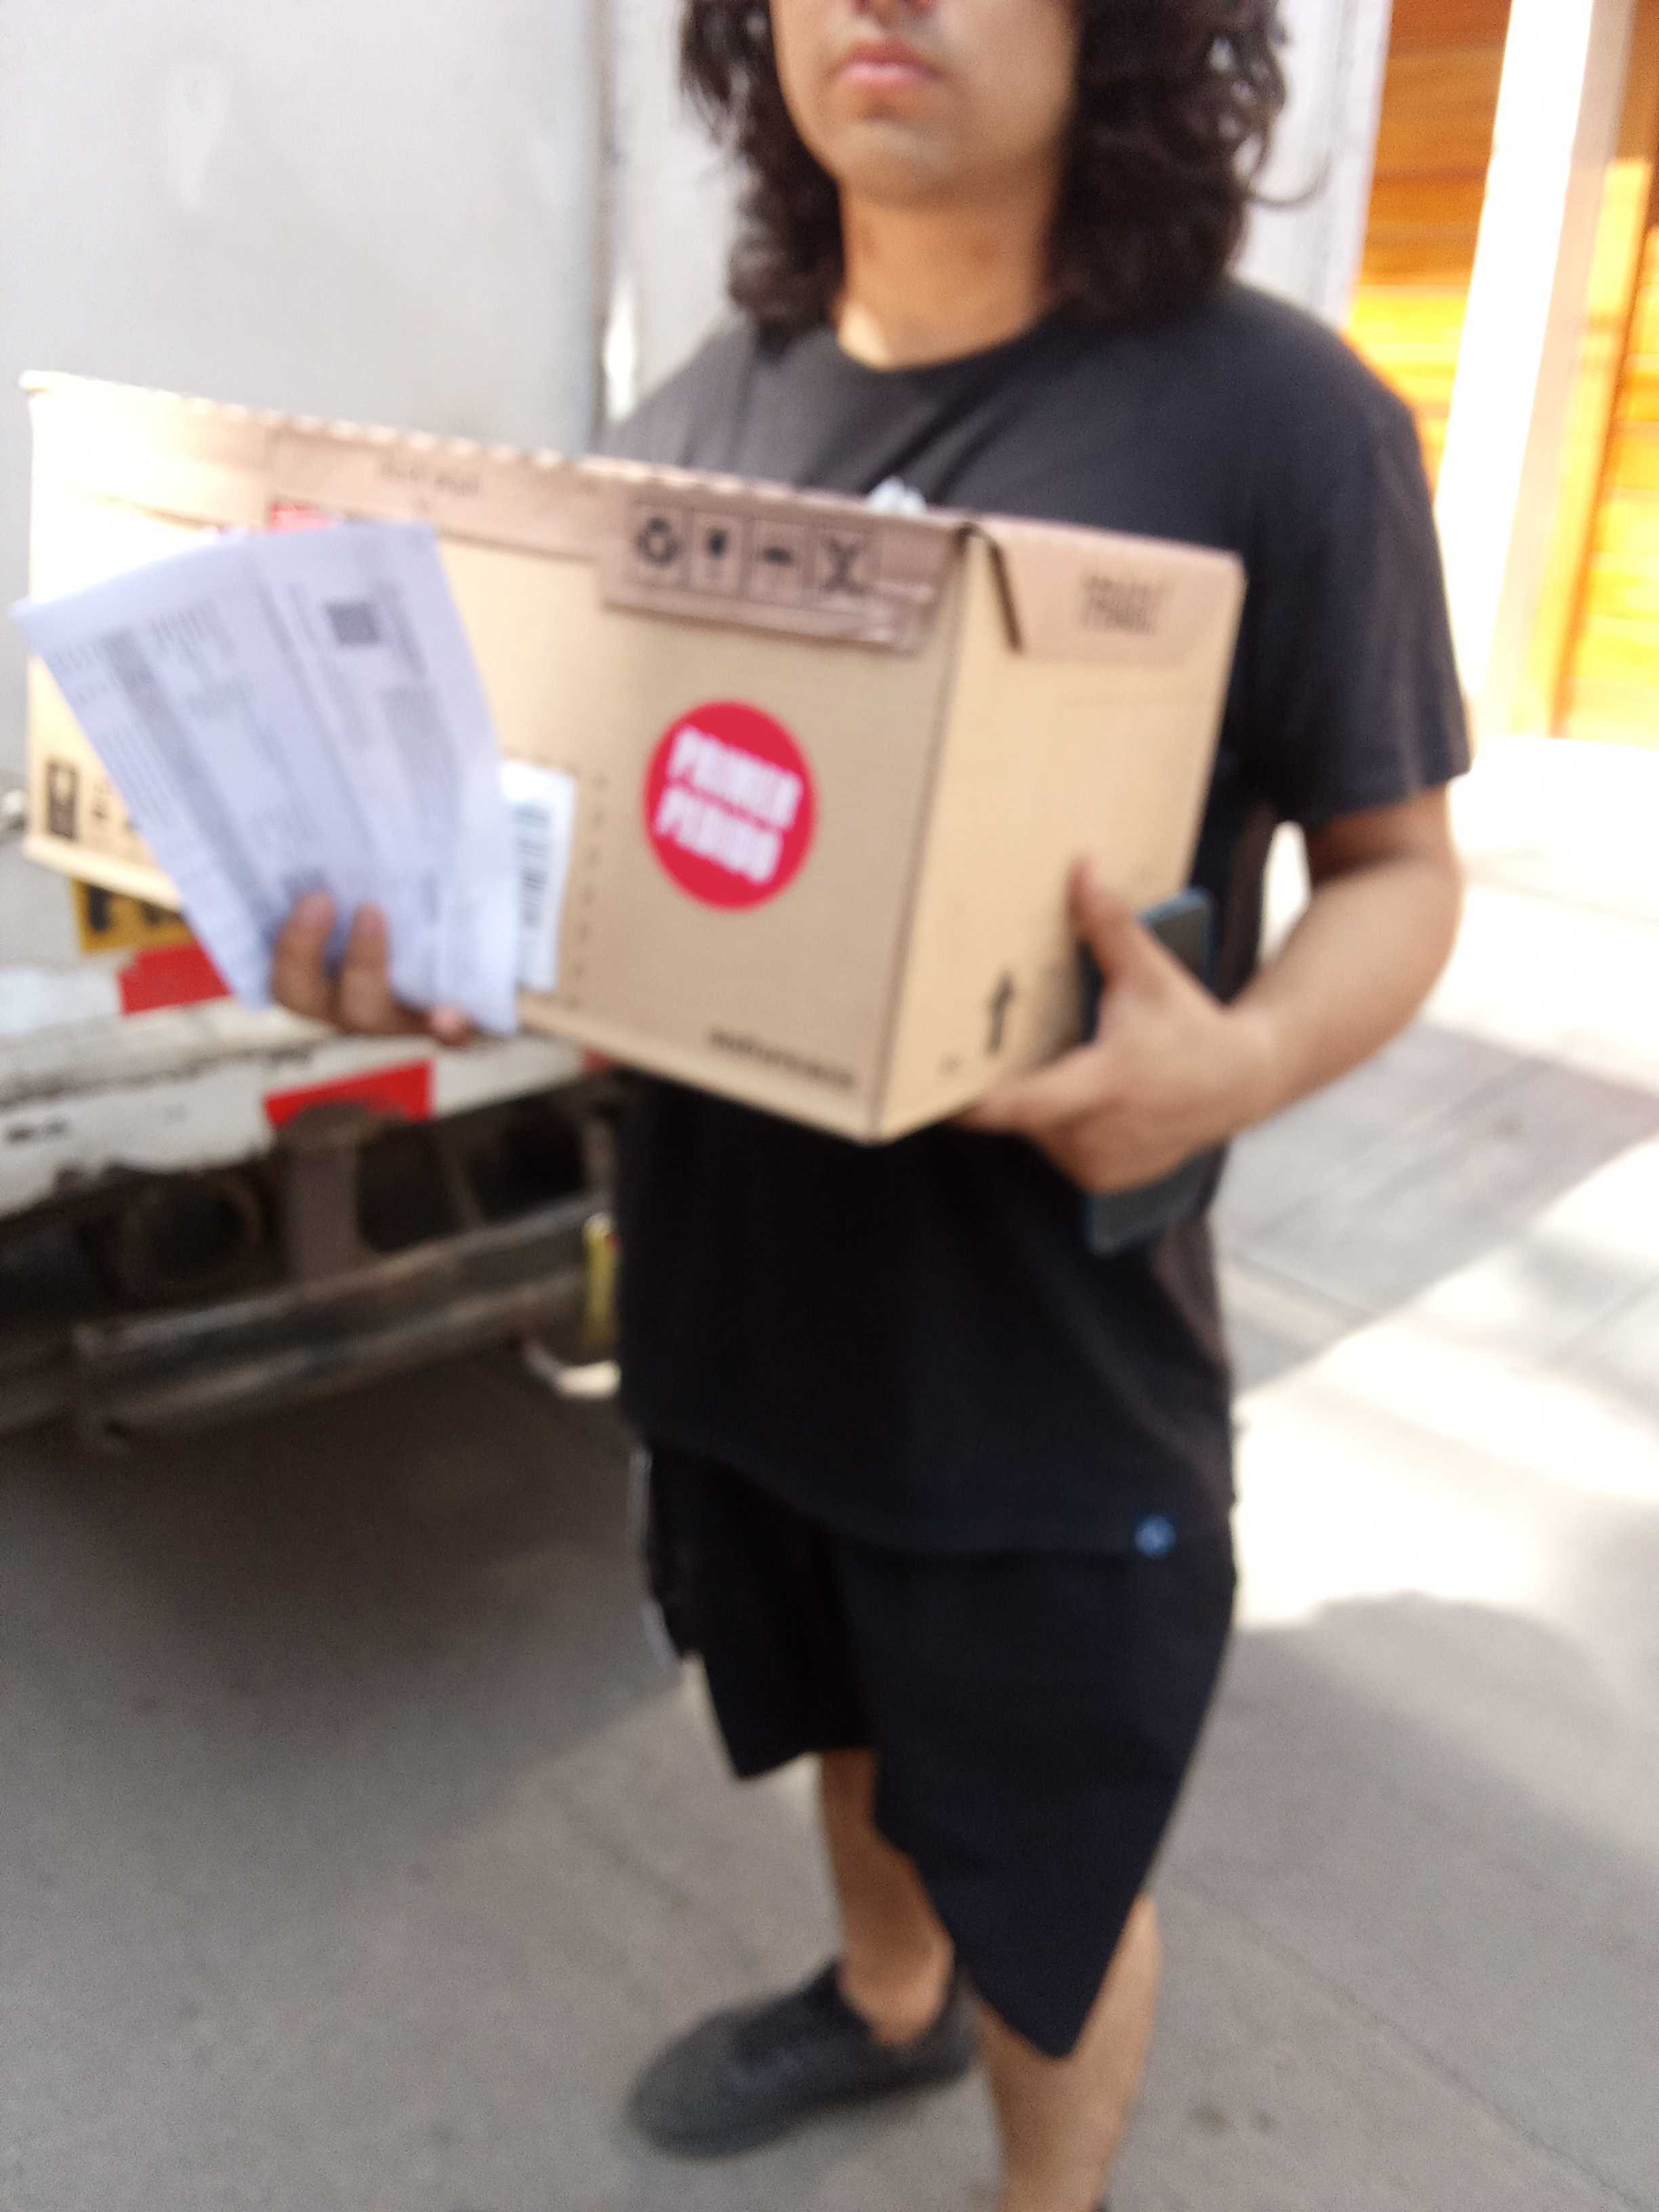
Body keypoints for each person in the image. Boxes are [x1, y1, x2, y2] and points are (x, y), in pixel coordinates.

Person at [272, 2, 1469, 2205]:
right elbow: (613, 868)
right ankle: (882, 2000)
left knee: (1048, 1882)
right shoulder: (696, 424)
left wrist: (1243, 1058)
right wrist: (430, 940)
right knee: (840, 1721)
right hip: (732, 1316)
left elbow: (1400, 873)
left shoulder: (1279, 424)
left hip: (1042, 1378)